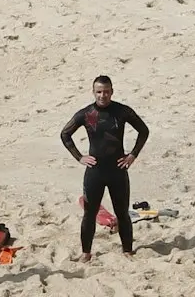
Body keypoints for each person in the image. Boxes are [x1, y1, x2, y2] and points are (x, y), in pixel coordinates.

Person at [60, 76, 149, 261]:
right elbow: (65, 134)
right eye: (99, 92)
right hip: (95, 172)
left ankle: (127, 250)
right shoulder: (86, 114)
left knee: (122, 212)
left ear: (112, 91)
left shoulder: (122, 111)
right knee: (89, 214)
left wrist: (132, 155)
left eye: (106, 91)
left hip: (118, 170)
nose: (103, 95)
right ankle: (86, 253)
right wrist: (79, 157)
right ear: (93, 92)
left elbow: (144, 131)